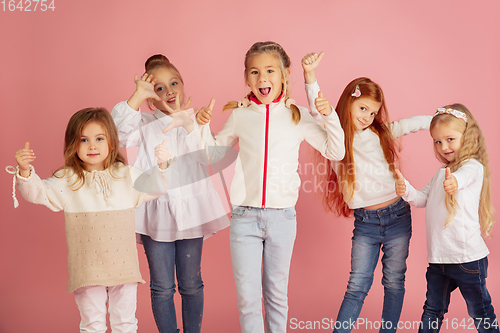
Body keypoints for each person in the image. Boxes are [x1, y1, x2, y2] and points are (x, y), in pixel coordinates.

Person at [195, 41, 345, 333]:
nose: (262, 78)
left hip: (282, 218)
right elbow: (211, 155)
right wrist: (202, 126)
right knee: (248, 299)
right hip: (244, 217)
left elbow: (335, 151)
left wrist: (328, 116)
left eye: (270, 70)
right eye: (254, 71)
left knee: (276, 295)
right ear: (246, 78)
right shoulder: (240, 115)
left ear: (285, 75)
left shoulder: (297, 115)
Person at [7, 108, 170, 333]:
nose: (92, 145)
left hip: (124, 267)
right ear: (73, 144)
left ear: (111, 143)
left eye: (99, 138)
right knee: (92, 324)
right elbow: (38, 193)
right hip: (87, 269)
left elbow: (156, 187)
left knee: (126, 323)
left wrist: (162, 167)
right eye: (84, 139)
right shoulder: (67, 179)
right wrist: (25, 171)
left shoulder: (126, 174)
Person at [302, 52, 432, 333]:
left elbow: (409, 124)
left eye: (372, 112)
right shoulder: (334, 135)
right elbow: (317, 109)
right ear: (350, 101)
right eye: (362, 109)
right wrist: (310, 76)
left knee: (394, 281)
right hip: (366, 222)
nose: (367, 117)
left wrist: (438, 117)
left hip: (398, 215)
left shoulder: (379, 133)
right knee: (357, 284)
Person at [111, 54, 229, 333]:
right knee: (162, 286)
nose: (169, 91)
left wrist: (190, 124)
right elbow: (117, 132)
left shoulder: (196, 119)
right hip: (156, 214)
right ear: (151, 98)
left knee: (191, 284)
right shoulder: (143, 124)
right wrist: (137, 94)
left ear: (184, 85)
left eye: (174, 83)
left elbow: (207, 157)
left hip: (191, 214)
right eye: (159, 88)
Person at [395, 104, 498, 333]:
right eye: (438, 142)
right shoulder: (440, 173)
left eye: (450, 139)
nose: (444, 147)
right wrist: (406, 190)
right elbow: (422, 199)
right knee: (432, 309)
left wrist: (455, 183)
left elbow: (464, 177)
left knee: (479, 310)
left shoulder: (473, 167)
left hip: (467, 259)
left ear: (467, 137)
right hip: (439, 260)